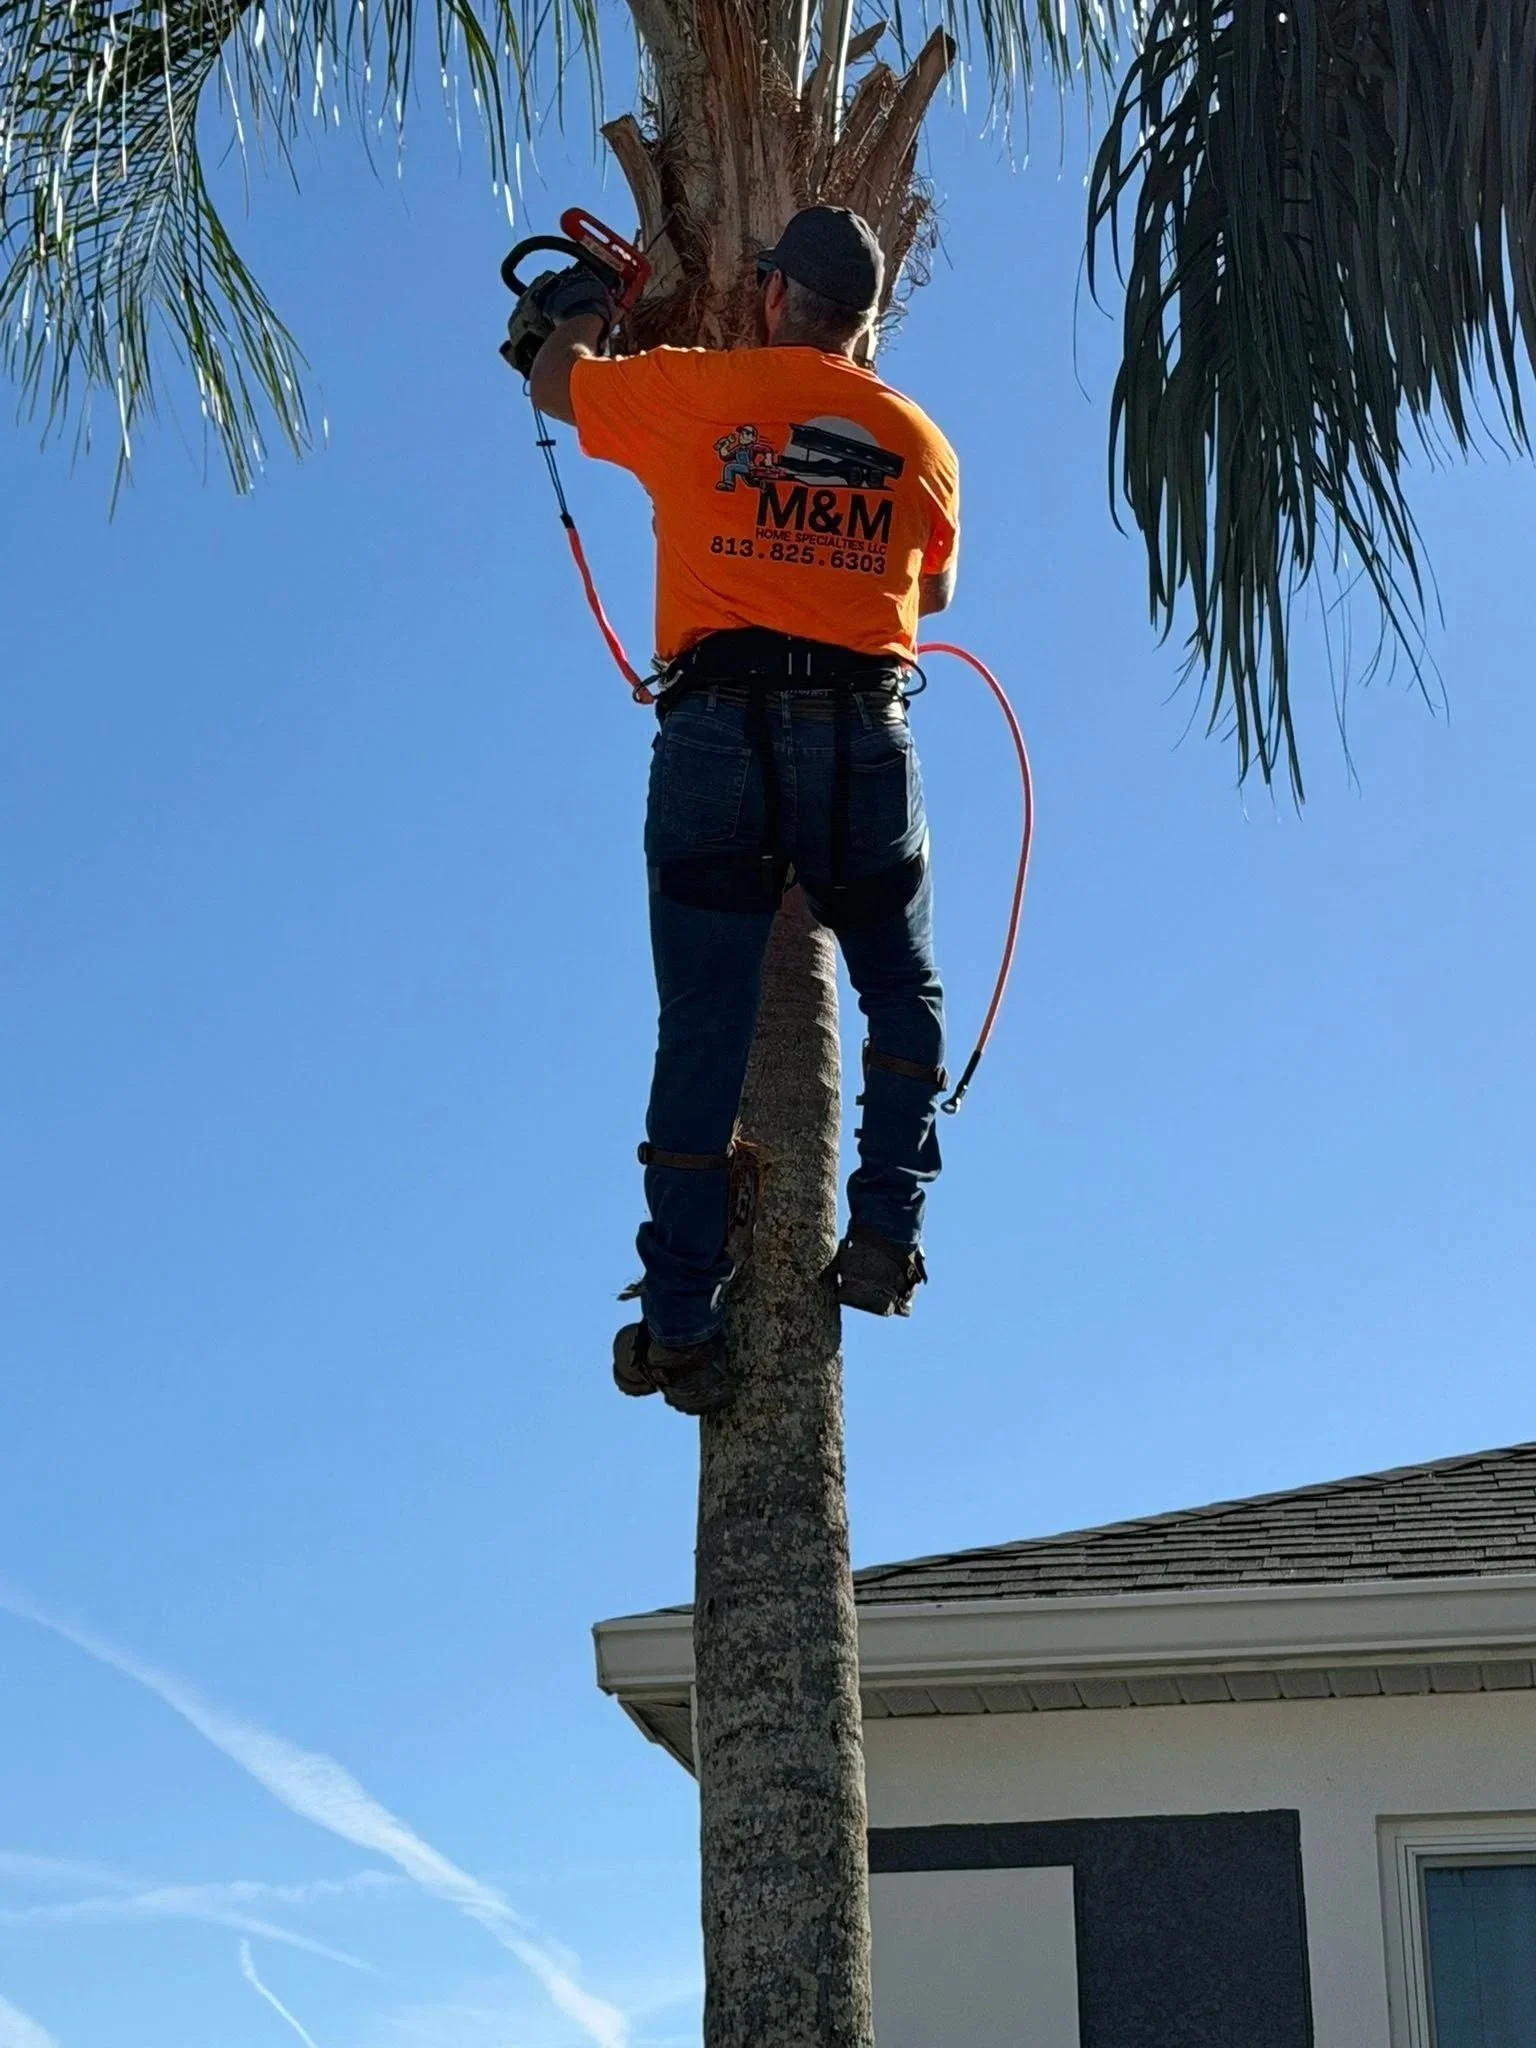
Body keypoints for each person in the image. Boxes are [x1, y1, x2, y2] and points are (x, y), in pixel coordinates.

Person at [525, 205, 959, 1417]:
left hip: (716, 732)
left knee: (703, 1030)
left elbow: (557, 385)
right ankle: (884, 1233)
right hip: (862, 735)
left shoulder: (691, 393)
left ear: (771, 298)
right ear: (867, 322)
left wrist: (581, 312)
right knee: (901, 988)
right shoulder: (919, 441)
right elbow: (933, 588)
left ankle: (679, 1317)